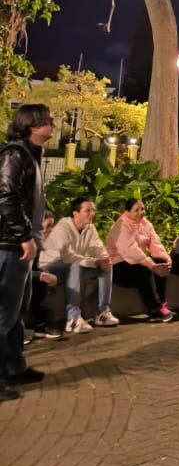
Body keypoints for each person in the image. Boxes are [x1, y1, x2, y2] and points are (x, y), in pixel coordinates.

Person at [0, 103, 53, 400]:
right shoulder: (15, 154)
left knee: (17, 311)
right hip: (9, 246)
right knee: (4, 313)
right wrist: (22, 236)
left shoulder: (29, 155)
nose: (53, 125)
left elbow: (27, 196)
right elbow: (5, 196)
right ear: (32, 126)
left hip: (19, 246)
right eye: (48, 120)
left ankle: (14, 367)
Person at [40, 197, 118, 331]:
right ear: (75, 213)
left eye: (93, 210)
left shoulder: (90, 228)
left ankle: (103, 312)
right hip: (50, 266)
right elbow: (67, 257)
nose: (92, 213)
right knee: (75, 265)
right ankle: (73, 318)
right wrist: (94, 261)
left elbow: (97, 247)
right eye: (87, 210)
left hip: (72, 267)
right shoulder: (63, 227)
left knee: (106, 267)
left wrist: (104, 259)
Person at [107, 198, 175, 322]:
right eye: (136, 210)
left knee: (160, 262)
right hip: (118, 266)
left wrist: (166, 259)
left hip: (136, 262)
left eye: (142, 209)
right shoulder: (120, 226)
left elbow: (155, 244)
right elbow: (131, 251)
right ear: (127, 212)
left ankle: (162, 303)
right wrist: (151, 265)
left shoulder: (146, 224)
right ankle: (155, 310)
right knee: (145, 270)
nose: (140, 212)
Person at [26, 212, 61, 341]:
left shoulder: (37, 244)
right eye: (47, 225)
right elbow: (14, 270)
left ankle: (39, 326)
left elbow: (33, 268)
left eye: (51, 226)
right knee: (31, 283)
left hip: (26, 276)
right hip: (10, 279)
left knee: (42, 282)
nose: (49, 230)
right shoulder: (24, 242)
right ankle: (24, 328)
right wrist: (40, 275)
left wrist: (44, 273)